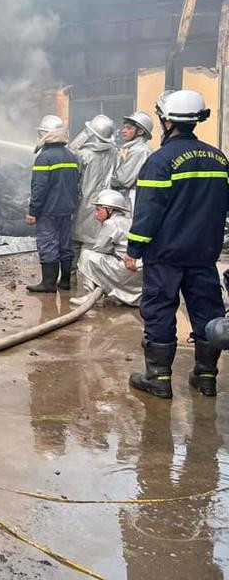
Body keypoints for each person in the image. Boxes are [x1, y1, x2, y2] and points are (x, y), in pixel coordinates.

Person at [126, 90, 229, 399]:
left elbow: (148, 212)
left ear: (167, 121)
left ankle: (158, 379)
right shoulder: (219, 159)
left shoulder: (160, 161)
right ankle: (206, 377)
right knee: (207, 312)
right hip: (204, 255)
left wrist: (134, 249)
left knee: (159, 311)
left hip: (165, 256)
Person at [25, 114, 79, 293]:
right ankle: (65, 281)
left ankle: (48, 283)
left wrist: (32, 211)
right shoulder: (71, 156)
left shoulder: (44, 157)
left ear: (45, 134)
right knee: (65, 244)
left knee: (48, 243)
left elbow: (39, 187)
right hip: (67, 209)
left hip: (48, 210)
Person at [70, 189, 142, 307]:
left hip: (127, 268)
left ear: (110, 210)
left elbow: (100, 249)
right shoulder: (129, 220)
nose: (96, 214)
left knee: (87, 256)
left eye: (98, 209)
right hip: (139, 270)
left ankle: (91, 296)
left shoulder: (111, 223)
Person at [72, 114, 117, 267]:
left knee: (75, 242)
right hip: (106, 204)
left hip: (83, 204)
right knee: (99, 243)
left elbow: (73, 174)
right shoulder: (114, 153)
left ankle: (71, 275)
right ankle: (93, 276)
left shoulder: (83, 154)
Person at [111, 110, 154, 205]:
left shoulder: (138, 150)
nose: (123, 131)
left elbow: (123, 179)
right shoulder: (139, 148)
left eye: (129, 128)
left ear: (140, 131)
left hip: (135, 196)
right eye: (124, 127)